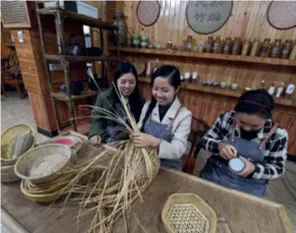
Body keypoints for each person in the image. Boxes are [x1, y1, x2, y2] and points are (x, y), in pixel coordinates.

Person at [200, 89, 288, 197]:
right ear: (235, 112)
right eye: (241, 122)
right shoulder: (227, 118)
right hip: (218, 175)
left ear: (267, 119)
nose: (246, 128)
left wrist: (254, 170)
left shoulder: (278, 134)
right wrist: (219, 145)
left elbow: (278, 169)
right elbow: (205, 140)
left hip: (251, 187)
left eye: (255, 126)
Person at [132, 65, 192, 170]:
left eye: (165, 90)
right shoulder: (148, 106)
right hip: (146, 162)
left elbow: (179, 149)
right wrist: (134, 136)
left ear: (176, 89)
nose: (159, 94)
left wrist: (154, 142)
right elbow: (138, 128)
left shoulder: (184, 115)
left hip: (168, 168)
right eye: (155, 89)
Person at [89, 62, 145, 144]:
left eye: (132, 82)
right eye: (123, 82)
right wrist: (95, 135)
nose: (127, 86)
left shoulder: (140, 100)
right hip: (107, 138)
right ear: (116, 81)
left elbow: (141, 124)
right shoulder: (104, 97)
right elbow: (97, 120)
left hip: (129, 140)